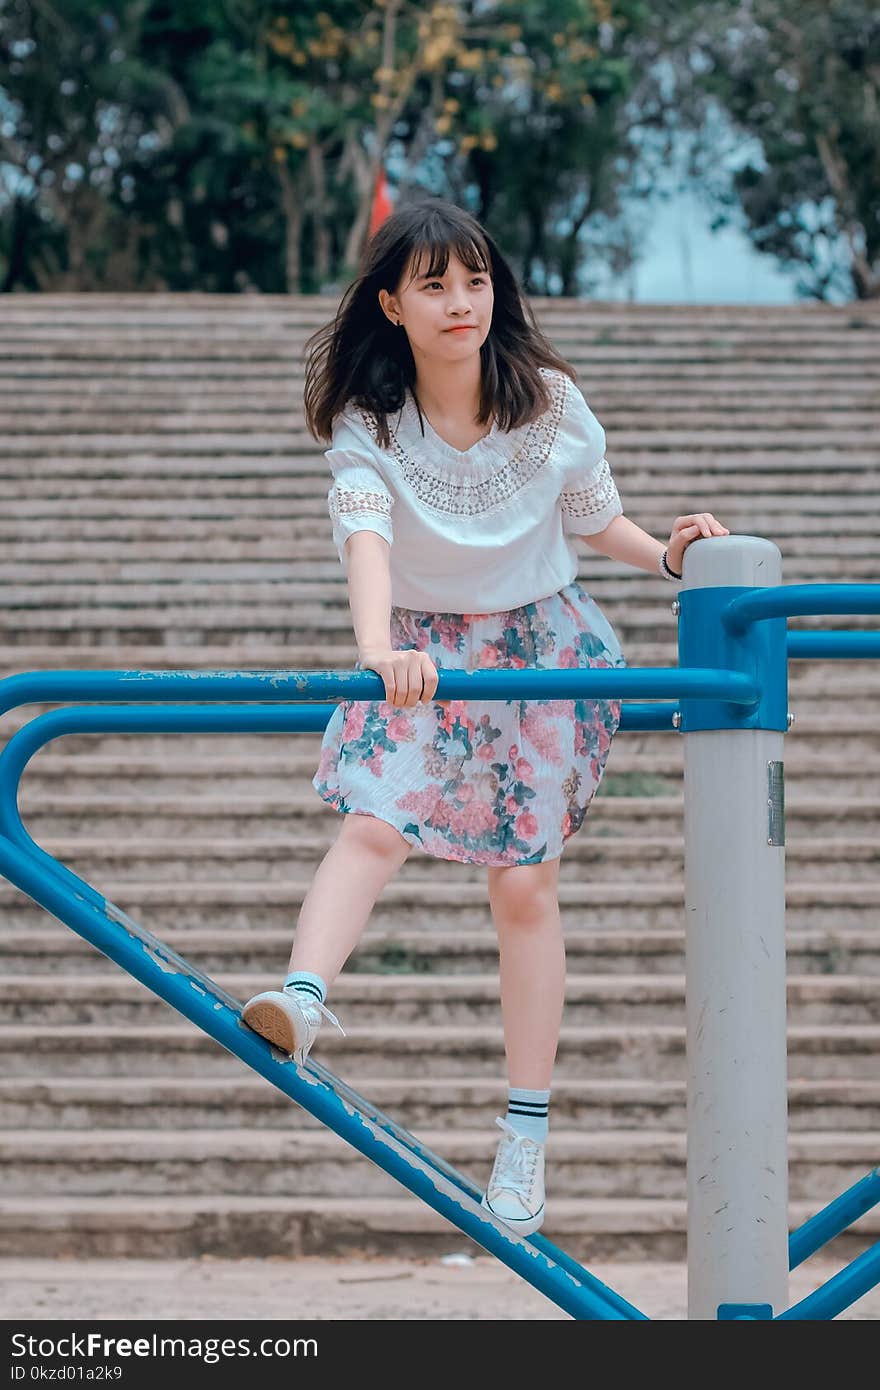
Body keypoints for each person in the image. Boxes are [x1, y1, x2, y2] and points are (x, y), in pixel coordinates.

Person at [242, 196, 729, 1237]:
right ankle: (302, 995)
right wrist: (378, 653)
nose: (460, 301)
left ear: (493, 288)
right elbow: (365, 539)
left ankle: (523, 1135)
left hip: (541, 645)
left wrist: (672, 557)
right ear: (392, 302)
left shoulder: (545, 400)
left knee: (524, 884)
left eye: (473, 279)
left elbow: (593, 517)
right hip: (421, 649)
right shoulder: (369, 423)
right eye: (432, 284)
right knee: (373, 822)